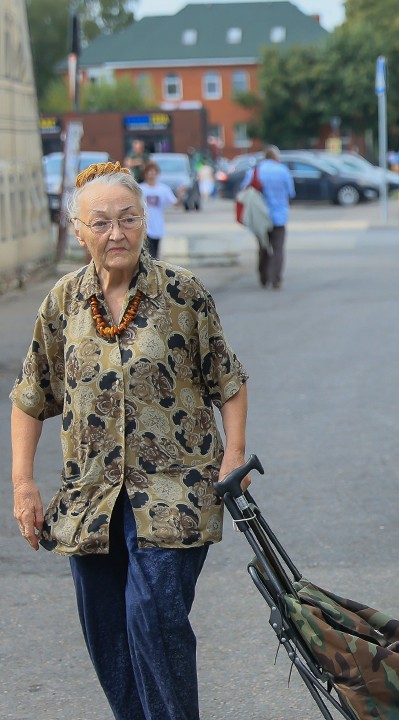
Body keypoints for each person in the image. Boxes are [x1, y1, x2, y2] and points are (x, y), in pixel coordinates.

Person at [10, 161, 250, 720]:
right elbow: (30, 397)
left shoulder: (183, 294)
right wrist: (24, 486)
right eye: (100, 222)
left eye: (127, 219)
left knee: (153, 617)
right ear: (77, 229)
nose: (115, 233)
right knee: (108, 635)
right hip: (90, 500)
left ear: (144, 221)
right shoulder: (64, 302)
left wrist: (232, 460)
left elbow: (229, 382)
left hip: (175, 493)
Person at [241, 145, 294, 289]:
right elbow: (291, 193)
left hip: (260, 217)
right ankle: (276, 279)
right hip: (279, 217)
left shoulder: (255, 171)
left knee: (263, 247)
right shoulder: (283, 171)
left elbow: (245, 191)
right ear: (276, 157)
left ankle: (263, 277)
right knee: (278, 248)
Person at [140, 159, 179, 258]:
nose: (152, 175)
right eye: (149, 172)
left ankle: (153, 272)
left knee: (155, 256)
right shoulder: (140, 189)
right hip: (145, 228)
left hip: (158, 227)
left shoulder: (163, 189)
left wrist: (181, 194)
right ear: (145, 174)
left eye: (154, 172)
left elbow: (175, 203)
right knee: (147, 254)